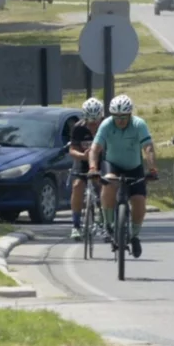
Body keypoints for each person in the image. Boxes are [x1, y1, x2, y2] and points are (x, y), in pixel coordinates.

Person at [88, 95, 158, 258]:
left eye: (124, 116)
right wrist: (92, 167)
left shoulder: (138, 124)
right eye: (116, 116)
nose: (120, 120)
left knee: (139, 201)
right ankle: (108, 222)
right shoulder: (106, 124)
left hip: (134, 166)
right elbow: (95, 149)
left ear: (130, 114)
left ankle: (134, 235)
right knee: (109, 181)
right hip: (113, 164)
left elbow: (148, 148)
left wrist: (152, 169)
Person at [68, 98, 105, 241]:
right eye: (90, 122)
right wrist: (82, 156)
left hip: (103, 162)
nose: (93, 126)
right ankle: (76, 225)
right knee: (77, 186)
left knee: (105, 186)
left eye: (96, 122)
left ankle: (104, 218)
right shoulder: (78, 127)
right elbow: (72, 150)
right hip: (83, 162)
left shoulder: (107, 126)